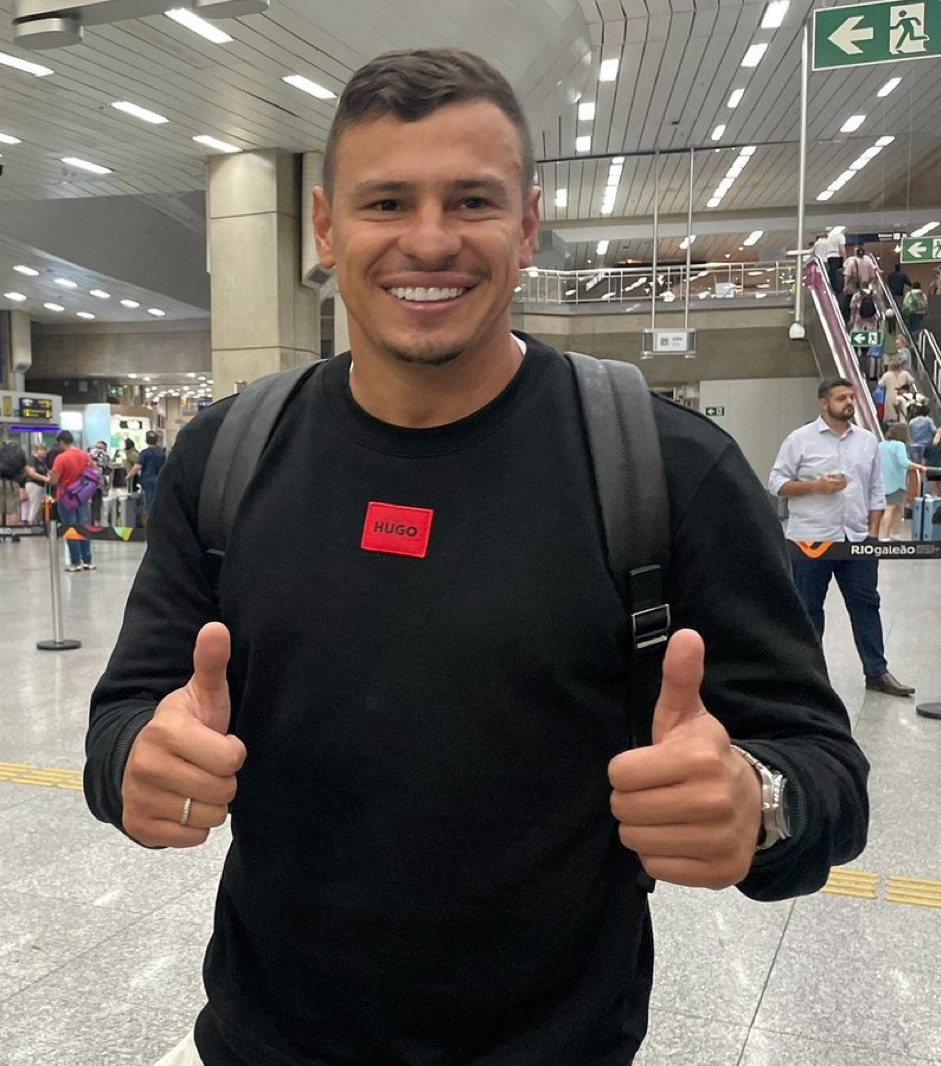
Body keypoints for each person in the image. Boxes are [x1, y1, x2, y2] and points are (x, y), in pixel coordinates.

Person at [86, 49, 869, 1066]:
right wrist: (135, 764)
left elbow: (823, 771)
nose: (428, 240)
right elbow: (125, 711)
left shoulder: (667, 468)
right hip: (267, 1039)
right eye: (385, 202)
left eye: (471, 201)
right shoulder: (226, 457)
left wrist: (757, 804)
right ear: (324, 227)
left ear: (527, 224)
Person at [769, 378, 913, 697]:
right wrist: (816, 486)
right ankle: (810, 677)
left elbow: (876, 489)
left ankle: (877, 672)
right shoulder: (799, 439)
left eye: (851, 397)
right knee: (808, 608)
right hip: (810, 540)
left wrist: (872, 535)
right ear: (824, 404)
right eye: (841, 398)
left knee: (866, 604)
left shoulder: (867, 441)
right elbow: (776, 483)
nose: (848, 402)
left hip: (856, 540)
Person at [49, 430, 96, 572]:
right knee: (84, 527)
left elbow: (54, 480)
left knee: (71, 528)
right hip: (82, 496)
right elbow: (92, 472)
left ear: (61, 442)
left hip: (66, 497)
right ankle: (87, 560)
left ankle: (75, 562)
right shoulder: (85, 455)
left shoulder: (61, 458)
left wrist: (50, 477)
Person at [878, 423, 927, 539]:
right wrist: (919, 467)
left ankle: (893, 534)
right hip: (896, 483)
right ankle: (886, 536)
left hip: (882, 482)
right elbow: (903, 462)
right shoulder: (899, 445)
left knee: (897, 508)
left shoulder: (881, 445)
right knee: (891, 508)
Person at [130, 430, 167, 519]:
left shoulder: (145, 453)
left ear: (146, 440)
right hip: (160, 480)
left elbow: (137, 466)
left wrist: (128, 476)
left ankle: (148, 523)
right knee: (158, 503)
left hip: (148, 481)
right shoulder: (161, 453)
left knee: (148, 504)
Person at [0, 436, 27, 533]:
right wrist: (22, 485)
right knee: (13, 510)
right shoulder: (20, 452)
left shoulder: (2, 451)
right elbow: (24, 469)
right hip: (14, 483)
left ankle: (1, 533)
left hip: (0, 481)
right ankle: (13, 533)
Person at [878, 357, 916, 425]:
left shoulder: (887, 375)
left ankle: (893, 425)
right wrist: (906, 384)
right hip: (902, 396)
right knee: (902, 413)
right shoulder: (905, 373)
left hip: (890, 397)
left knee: (892, 415)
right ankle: (902, 424)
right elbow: (912, 381)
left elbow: (880, 384)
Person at [23, 442, 51, 525]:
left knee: (39, 507)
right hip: (33, 484)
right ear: (36, 451)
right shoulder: (32, 459)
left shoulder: (43, 461)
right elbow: (32, 473)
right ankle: (30, 525)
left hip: (41, 486)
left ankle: (37, 525)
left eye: (44, 450)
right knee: (35, 505)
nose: (43, 452)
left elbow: (46, 472)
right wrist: (44, 478)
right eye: (41, 450)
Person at [824, 225, 847, 293]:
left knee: (831, 274)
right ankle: (838, 290)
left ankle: (831, 289)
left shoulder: (830, 236)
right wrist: (845, 258)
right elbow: (841, 248)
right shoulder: (840, 236)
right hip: (837, 256)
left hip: (829, 257)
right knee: (838, 274)